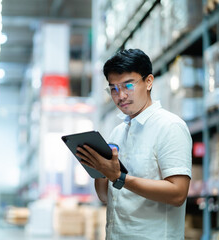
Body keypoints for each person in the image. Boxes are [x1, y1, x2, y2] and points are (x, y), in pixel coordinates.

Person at [76, 49, 192, 240]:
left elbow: (178, 194)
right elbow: (105, 196)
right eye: (113, 88)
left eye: (127, 85)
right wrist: (99, 170)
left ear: (148, 82)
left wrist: (120, 177)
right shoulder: (118, 132)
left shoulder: (170, 127)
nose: (120, 96)